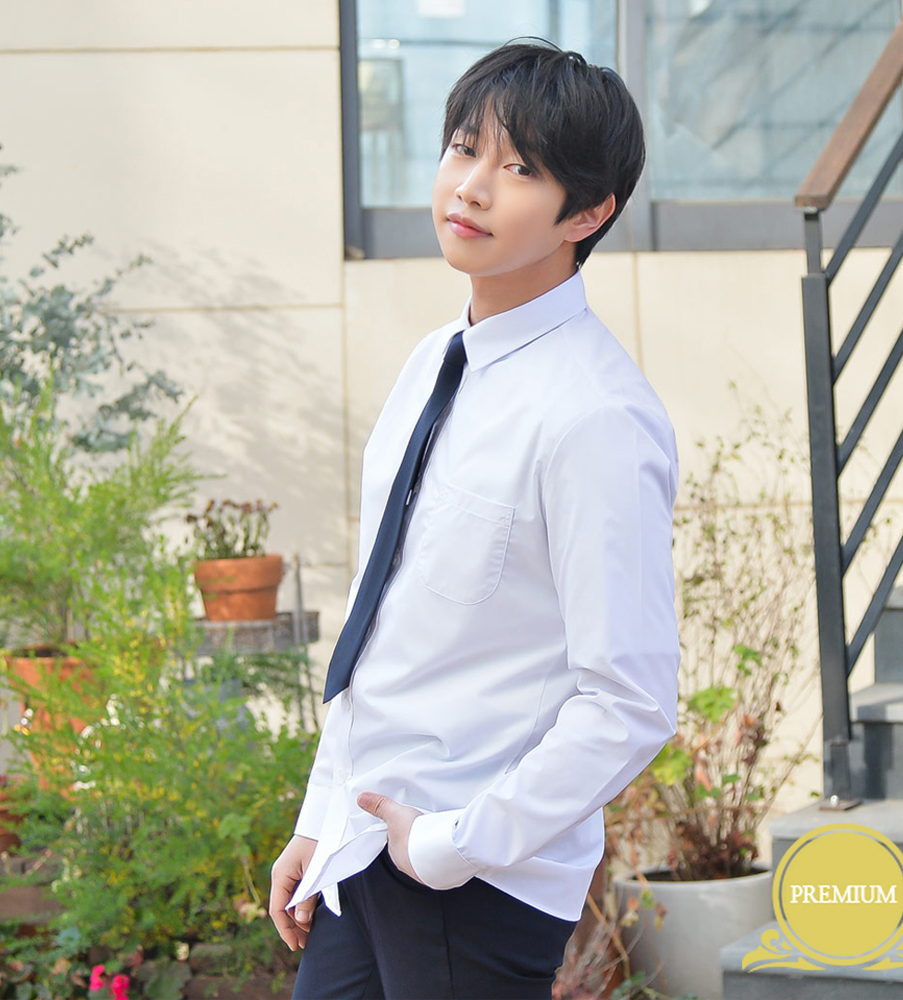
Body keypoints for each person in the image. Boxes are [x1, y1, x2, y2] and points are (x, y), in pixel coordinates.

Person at [269, 38, 680, 1000]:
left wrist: (457, 843)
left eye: (521, 168)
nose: (472, 187)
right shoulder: (432, 363)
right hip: (365, 844)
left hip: (474, 878)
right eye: (464, 149)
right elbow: (383, 619)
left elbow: (629, 698)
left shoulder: (596, 416)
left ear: (588, 211)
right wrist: (322, 814)